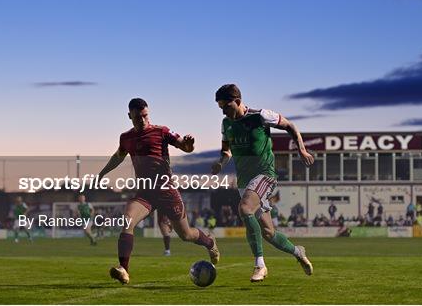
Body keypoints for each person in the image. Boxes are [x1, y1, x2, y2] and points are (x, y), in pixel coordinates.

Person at [98, 98, 220, 284]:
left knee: (186, 235)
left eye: (145, 115)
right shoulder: (126, 138)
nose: (143, 120)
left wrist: (189, 144)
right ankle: (124, 269)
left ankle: (209, 242)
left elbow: (184, 146)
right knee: (127, 222)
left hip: (167, 192)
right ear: (129, 116)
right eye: (138, 117)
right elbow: (118, 156)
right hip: (145, 193)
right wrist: (103, 173)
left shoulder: (161, 131)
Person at [211, 84, 314, 282]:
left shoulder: (260, 116)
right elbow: (226, 151)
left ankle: (260, 265)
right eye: (220, 107)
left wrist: (301, 149)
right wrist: (220, 163)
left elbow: (290, 126)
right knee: (268, 233)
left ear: (238, 102)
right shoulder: (226, 124)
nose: (223, 111)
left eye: (226, 106)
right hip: (245, 182)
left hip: (265, 175)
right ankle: (297, 251)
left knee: (245, 209)